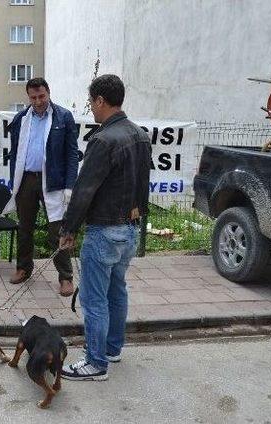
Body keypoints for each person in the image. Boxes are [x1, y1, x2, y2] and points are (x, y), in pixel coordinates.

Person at [59, 74, 152, 381]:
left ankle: (96, 363)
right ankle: (112, 349)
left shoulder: (102, 139)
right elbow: (143, 186)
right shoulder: (140, 135)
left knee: (94, 298)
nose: (91, 109)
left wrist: (68, 230)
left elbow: (84, 189)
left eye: (91, 103)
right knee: (117, 290)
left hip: (105, 230)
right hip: (130, 229)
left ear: (100, 100)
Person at [3, 77, 79, 297]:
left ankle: (65, 277)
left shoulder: (63, 117)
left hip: (53, 181)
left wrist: (69, 185)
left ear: (48, 93)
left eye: (41, 96)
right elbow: (15, 153)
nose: (37, 101)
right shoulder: (20, 119)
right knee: (24, 227)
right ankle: (23, 268)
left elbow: (72, 154)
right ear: (28, 97)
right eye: (33, 97)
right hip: (26, 180)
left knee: (57, 230)